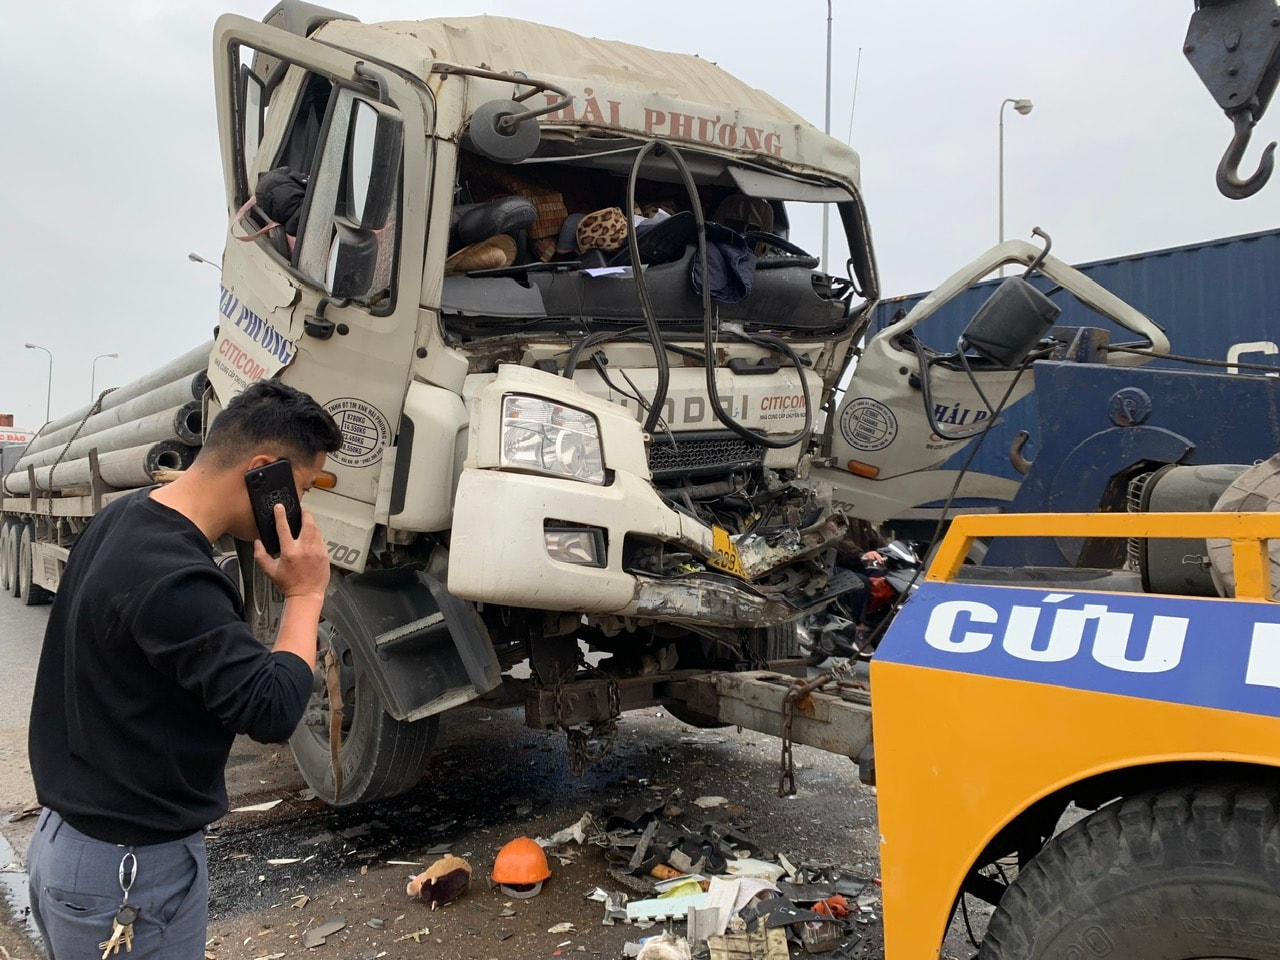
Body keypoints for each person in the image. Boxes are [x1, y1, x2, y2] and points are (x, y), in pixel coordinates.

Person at [26, 379, 343, 959]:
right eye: (298, 488)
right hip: (127, 875)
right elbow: (270, 707)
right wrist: (305, 595)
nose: (301, 507)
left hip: (69, 847)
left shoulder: (122, 518)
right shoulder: (176, 577)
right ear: (262, 471)